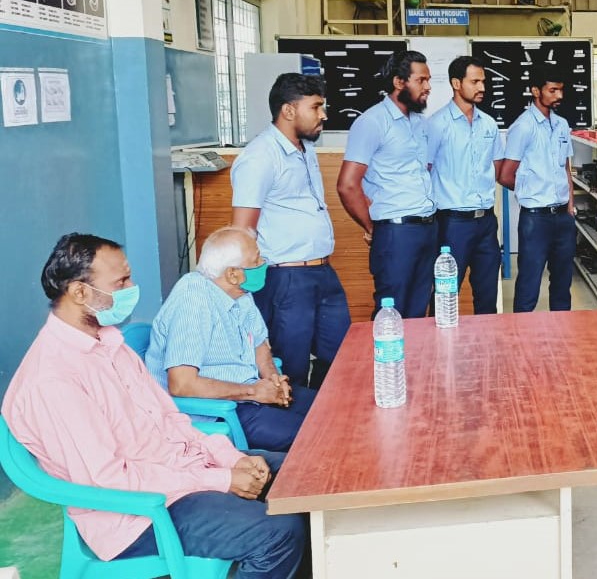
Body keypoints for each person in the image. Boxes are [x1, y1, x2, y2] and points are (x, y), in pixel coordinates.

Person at [2, 233, 305, 578]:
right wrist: (221, 479)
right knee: (278, 533)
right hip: (140, 512)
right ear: (79, 292)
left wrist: (229, 458)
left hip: (183, 471)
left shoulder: (110, 344)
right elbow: (110, 479)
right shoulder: (53, 379)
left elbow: (172, 419)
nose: (132, 288)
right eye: (121, 282)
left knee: (303, 479)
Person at [146, 227, 316, 452]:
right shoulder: (193, 301)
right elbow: (182, 384)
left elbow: (259, 344)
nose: (263, 264)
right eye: (256, 261)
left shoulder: (239, 292)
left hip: (248, 393)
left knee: (333, 410)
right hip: (217, 410)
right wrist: (254, 392)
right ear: (232, 274)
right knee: (316, 438)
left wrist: (274, 381)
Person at [232, 72, 350, 388]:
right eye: (316, 107)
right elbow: (242, 230)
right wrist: (247, 288)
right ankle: (295, 419)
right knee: (292, 366)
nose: (323, 115)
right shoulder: (260, 156)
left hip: (322, 272)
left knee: (341, 358)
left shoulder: (304, 149)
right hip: (286, 278)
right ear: (288, 110)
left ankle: (324, 413)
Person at [336, 50, 437, 318]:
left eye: (428, 80)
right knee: (391, 314)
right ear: (398, 82)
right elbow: (347, 185)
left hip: (427, 228)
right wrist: (372, 227)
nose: (428, 87)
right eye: (421, 80)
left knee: (418, 313)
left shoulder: (420, 123)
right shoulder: (372, 122)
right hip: (395, 232)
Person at [425, 55, 504, 314]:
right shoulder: (436, 125)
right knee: (446, 296)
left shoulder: (489, 124)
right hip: (452, 224)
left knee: (488, 296)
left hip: (486, 222)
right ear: (456, 83)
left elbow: (496, 166)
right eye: (475, 82)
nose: (482, 87)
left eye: (483, 81)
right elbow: (424, 170)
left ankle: (487, 340)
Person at [498, 65, 575, 313]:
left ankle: (561, 331)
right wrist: (531, 191)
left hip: (563, 217)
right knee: (529, 285)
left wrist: (570, 207)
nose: (559, 96)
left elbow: (566, 168)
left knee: (563, 284)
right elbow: (505, 175)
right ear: (535, 91)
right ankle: (521, 334)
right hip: (536, 219)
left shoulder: (562, 124)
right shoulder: (523, 127)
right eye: (552, 90)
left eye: (561, 90)